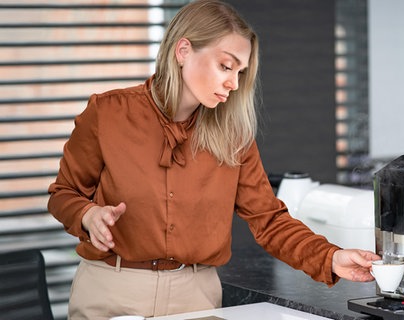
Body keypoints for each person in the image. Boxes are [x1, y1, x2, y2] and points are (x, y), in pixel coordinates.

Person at [47, 0, 379, 318]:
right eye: (225, 66)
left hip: (196, 297)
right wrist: (88, 215)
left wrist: (331, 257)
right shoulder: (108, 113)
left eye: (240, 72)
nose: (233, 83)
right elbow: (64, 194)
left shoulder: (233, 136)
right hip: (111, 292)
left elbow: (269, 220)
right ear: (183, 51)